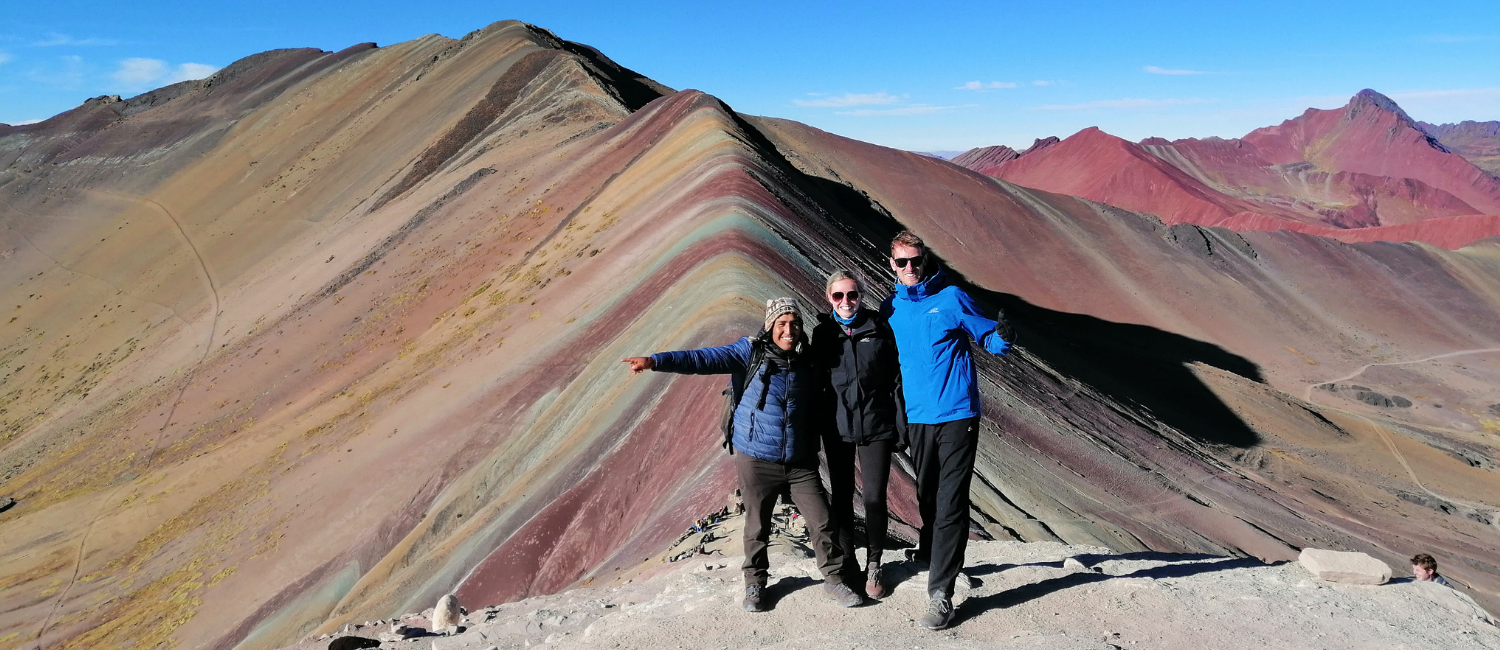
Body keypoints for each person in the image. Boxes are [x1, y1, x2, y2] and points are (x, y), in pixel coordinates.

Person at [622, 298, 863, 611]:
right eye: (781, 324)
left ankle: (833, 579)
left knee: (822, 521)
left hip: (800, 461)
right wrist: (655, 361)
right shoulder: (749, 352)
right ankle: (754, 585)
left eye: (794, 324)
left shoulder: (808, 358)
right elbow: (701, 359)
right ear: (770, 326)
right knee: (757, 526)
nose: (788, 330)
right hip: (757, 458)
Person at [881, 230, 1013, 630]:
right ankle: (929, 550)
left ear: (926, 260)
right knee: (927, 494)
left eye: (916, 260)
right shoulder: (890, 309)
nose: (910, 267)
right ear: (891, 264)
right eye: (902, 262)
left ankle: (941, 593)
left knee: (951, 501)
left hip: (957, 413)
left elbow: (988, 337)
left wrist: (1004, 338)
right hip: (918, 417)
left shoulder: (952, 298)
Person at [811, 270, 901, 600]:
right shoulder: (823, 334)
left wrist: (900, 426)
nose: (846, 301)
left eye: (852, 294)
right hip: (837, 427)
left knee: (875, 498)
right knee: (842, 496)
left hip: (876, 425)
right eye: (838, 295)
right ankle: (848, 563)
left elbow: (895, 379)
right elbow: (816, 381)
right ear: (829, 298)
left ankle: (874, 564)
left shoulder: (879, 328)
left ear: (861, 296)